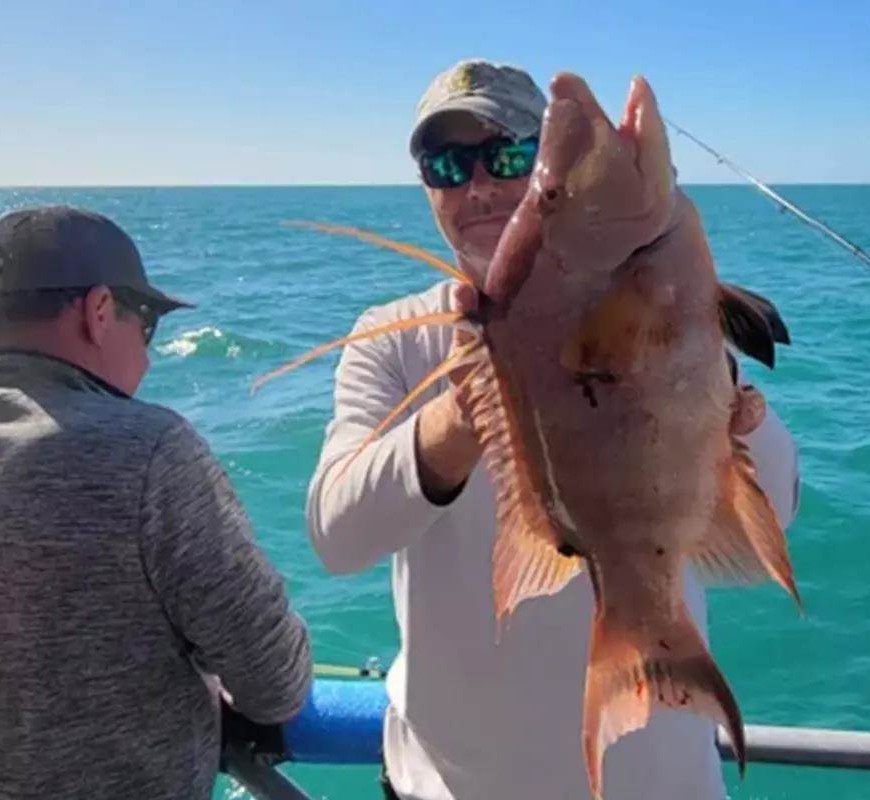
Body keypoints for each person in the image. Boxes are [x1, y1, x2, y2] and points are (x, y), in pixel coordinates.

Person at [306, 60, 801, 799]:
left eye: (505, 155)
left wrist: (725, 398)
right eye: (445, 165)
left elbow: (781, 504)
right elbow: (335, 535)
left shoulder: (664, 309)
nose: (476, 186)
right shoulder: (390, 340)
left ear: (546, 167)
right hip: (445, 786)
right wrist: (460, 418)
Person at [0, 205, 313, 800]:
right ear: (99, 312)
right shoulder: (150, 454)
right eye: (147, 325)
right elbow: (274, 682)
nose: (149, 350)